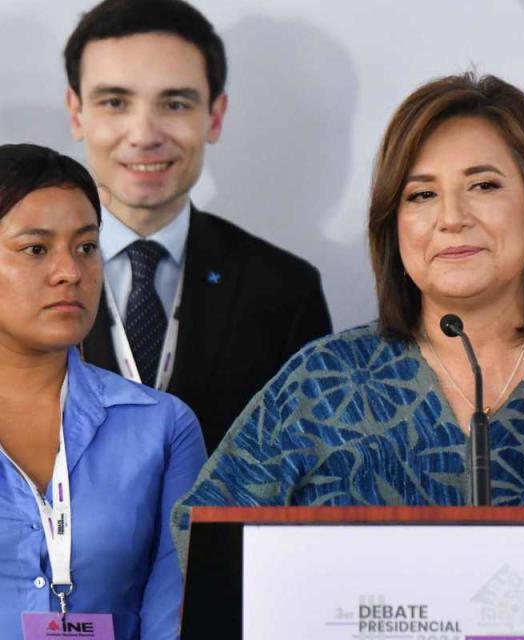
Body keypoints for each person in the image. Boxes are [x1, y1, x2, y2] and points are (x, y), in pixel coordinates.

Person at [172, 72, 524, 559]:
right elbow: (205, 538)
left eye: (484, 186)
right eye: (422, 195)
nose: (452, 218)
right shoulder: (322, 382)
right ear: (394, 230)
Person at [64, 0, 333, 453]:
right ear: (77, 114)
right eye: (115, 102)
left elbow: (312, 471)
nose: (144, 134)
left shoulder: (285, 291)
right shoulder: (12, 278)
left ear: (214, 115)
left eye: (174, 103)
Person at [0, 144, 206, 639]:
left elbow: (175, 613)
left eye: (87, 246)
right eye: (36, 249)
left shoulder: (162, 426)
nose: (71, 271)